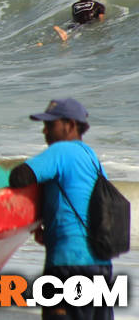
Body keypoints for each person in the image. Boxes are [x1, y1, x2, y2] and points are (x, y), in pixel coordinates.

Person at [8, 98, 113, 320]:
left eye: (51, 124)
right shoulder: (92, 158)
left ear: (71, 125)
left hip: (69, 264)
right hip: (100, 264)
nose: (44, 131)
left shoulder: (61, 151)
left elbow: (19, 177)